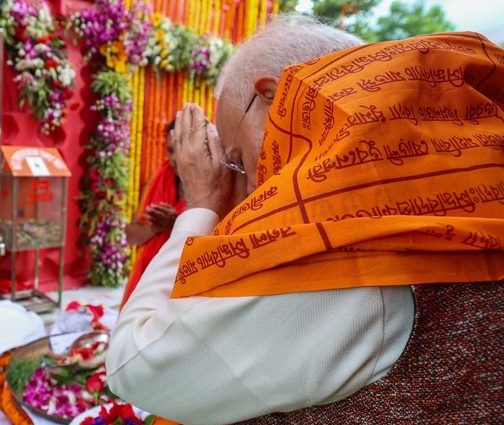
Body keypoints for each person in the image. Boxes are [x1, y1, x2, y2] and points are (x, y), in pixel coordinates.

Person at [107, 15, 504, 424]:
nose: (248, 187)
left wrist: (202, 204)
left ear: (272, 98)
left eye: (239, 159)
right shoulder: (459, 183)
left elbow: (134, 367)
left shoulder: (343, 245)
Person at [122, 120, 186, 307]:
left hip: (182, 285)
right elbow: (131, 236)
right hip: (148, 276)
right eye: (171, 150)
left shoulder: (212, 185)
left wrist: (176, 225)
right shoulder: (158, 179)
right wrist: (157, 227)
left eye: (181, 149)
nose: (175, 159)